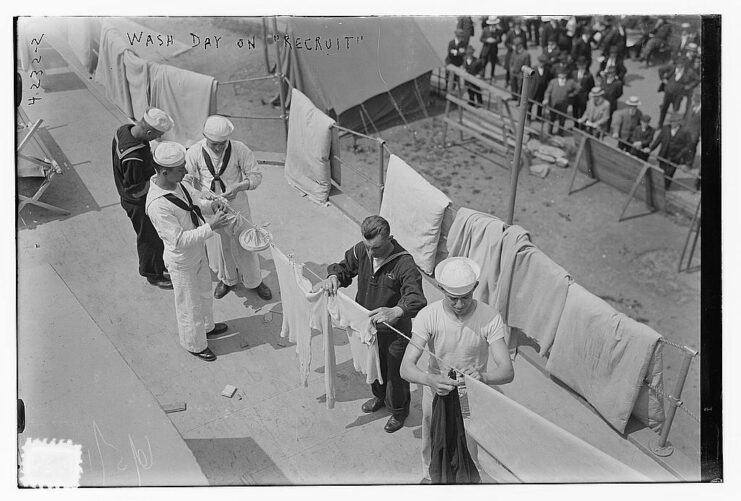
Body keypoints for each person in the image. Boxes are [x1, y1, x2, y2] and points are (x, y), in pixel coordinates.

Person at [400, 257, 514, 483]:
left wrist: (484, 377)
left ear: (475, 288)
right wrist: (430, 379)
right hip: (436, 391)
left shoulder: (490, 317)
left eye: (465, 298)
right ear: (441, 289)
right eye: (453, 299)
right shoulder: (428, 316)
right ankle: (431, 476)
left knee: (470, 443)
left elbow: (507, 371)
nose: (460, 305)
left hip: (471, 394)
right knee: (433, 440)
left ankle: (471, 480)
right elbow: (406, 368)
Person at [319, 216, 427, 433]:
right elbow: (345, 268)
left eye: (376, 248)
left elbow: (416, 297)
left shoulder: (404, 263)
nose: (370, 253)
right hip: (368, 327)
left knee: (395, 375)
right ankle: (379, 397)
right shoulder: (362, 250)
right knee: (374, 367)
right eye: (367, 247)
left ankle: (399, 411)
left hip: (394, 332)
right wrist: (334, 277)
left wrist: (397, 310)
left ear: (390, 239)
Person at [145, 142, 232, 361]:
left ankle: (206, 327)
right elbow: (179, 240)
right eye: (180, 169)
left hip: (197, 251)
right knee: (189, 305)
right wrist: (211, 226)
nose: (185, 172)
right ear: (164, 171)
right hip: (182, 260)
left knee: (204, 293)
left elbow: (194, 201)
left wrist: (211, 206)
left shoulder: (177, 184)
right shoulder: (157, 205)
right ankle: (194, 343)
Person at [184, 115, 272, 301]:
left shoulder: (240, 149)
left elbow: (256, 176)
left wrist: (239, 186)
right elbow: (186, 181)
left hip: (237, 204)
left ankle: (254, 281)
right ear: (204, 137)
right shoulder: (194, 152)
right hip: (210, 206)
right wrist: (202, 196)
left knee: (246, 243)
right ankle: (228, 279)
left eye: (222, 144)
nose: (218, 148)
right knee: (220, 246)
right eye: (214, 144)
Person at [112, 107, 174, 290]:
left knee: (153, 236)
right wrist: (159, 181)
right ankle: (152, 274)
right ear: (148, 131)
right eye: (157, 135)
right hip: (137, 203)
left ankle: (158, 265)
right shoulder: (134, 157)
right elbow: (136, 189)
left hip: (130, 193)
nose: (158, 138)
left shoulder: (123, 130)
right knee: (150, 237)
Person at [647, 113, 691, 190]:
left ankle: (666, 187)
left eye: (674, 121)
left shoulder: (684, 132)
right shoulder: (665, 128)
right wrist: (650, 149)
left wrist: (682, 158)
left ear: (678, 122)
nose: (672, 123)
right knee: (661, 171)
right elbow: (658, 140)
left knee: (669, 173)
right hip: (664, 154)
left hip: (675, 157)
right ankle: (659, 187)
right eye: (671, 121)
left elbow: (687, 146)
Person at [657, 57, 699, 128]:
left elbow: (697, 79)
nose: (679, 67)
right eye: (678, 64)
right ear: (676, 64)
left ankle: (672, 126)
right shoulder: (672, 68)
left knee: (675, 110)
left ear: (683, 65)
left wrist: (689, 86)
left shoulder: (688, 72)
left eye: (681, 65)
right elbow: (660, 69)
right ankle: (660, 124)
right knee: (664, 108)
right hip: (668, 92)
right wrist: (663, 79)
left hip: (678, 95)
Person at [543, 65, 578, 135]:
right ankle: (549, 133)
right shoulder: (553, 82)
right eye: (560, 74)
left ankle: (560, 133)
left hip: (564, 105)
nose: (562, 75)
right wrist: (546, 99)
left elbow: (578, 88)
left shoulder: (570, 82)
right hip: (553, 104)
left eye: (564, 74)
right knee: (551, 119)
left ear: (566, 74)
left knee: (562, 120)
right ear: (558, 74)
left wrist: (572, 94)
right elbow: (548, 92)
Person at [571, 56, 595, 120]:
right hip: (575, 96)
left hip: (584, 97)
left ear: (585, 65)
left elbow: (591, 86)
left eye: (582, 65)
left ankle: (582, 127)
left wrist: (588, 96)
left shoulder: (589, 75)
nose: (581, 66)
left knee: (583, 112)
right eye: (579, 65)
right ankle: (575, 125)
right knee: (575, 112)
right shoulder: (574, 73)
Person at [479, 16, 502, 81]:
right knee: (483, 63)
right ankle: (482, 76)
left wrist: (495, 40)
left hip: (494, 50)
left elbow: (500, 40)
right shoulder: (485, 29)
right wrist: (487, 40)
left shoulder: (498, 31)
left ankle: (492, 76)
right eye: (492, 24)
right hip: (485, 50)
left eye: (494, 24)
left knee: (493, 63)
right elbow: (481, 39)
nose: (493, 25)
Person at [529, 55, 551, 122]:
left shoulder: (547, 70)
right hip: (533, 90)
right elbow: (529, 80)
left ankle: (538, 117)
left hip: (542, 91)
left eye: (543, 62)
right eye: (540, 62)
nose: (542, 64)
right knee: (530, 105)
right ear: (538, 62)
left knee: (540, 105)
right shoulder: (533, 69)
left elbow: (548, 79)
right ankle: (528, 117)